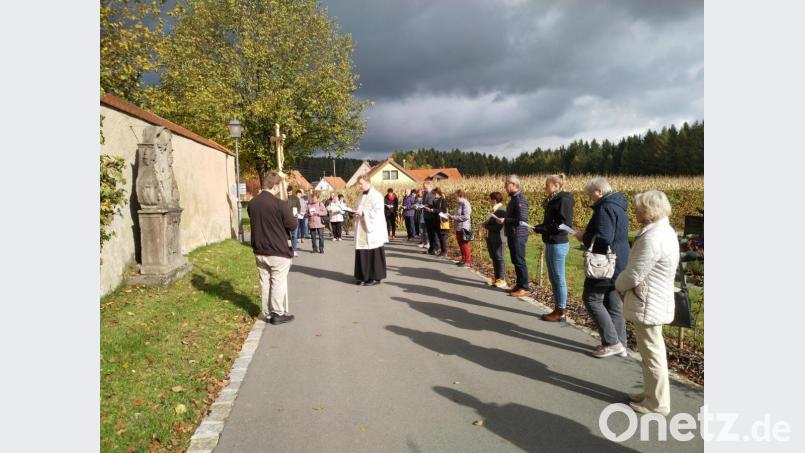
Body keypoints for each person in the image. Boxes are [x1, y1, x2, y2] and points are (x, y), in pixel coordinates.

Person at [615, 190, 679, 416]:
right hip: (652, 299)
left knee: (652, 354)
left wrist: (618, 286)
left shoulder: (653, 237)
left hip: (648, 301)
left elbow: (634, 274)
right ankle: (650, 394)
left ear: (650, 211)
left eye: (639, 208)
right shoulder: (664, 231)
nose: (635, 212)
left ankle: (657, 404)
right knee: (650, 352)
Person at [574, 176, 631, 358]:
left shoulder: (605, 208)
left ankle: (612, 342)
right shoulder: (618, 205)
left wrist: (583, 236)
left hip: (605, 262)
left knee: (592, 298)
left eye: (591, 194)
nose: (590, 198)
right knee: (613, 301)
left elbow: (604, 237)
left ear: (599, 191)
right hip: (620, 258)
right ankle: (620, 342)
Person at [247, 172, 298, 325]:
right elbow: (292, 225)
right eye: (279, 186)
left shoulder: (252, 203)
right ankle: (277, 312)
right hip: (277, 249)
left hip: (260, 249)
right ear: (275, 186)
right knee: (277, 281)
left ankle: (266, 312)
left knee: (265, 281)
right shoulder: (279, 204)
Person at [533, 174, 575, 322]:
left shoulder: (564, 199)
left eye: (547, 184)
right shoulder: (554, 199)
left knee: (558, 277)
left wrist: (543, 229)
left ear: (556, 185)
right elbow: (551, 221)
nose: (545, 187)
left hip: (558, 242)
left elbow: (563, 225)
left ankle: (561, 310)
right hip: (550, 241)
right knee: (553, 277)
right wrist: (539, 227)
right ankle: (557, 307)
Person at [353, 175, 388, 286]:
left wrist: (363, 213)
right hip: (361, 228)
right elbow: (358, 208)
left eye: (361, 183)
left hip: (373, 230)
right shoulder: (360, 196)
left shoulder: (376, 195)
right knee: (362, 251)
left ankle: (375, 277)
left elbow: (377, 213)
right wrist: (354, 212)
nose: (359, 186)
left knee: (373, 253)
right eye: (358, 183)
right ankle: (363, 276)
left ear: (368, 182)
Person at [501, 175, 530, 297]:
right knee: (515, 260)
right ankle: (519, 284)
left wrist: (505, 220)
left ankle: (524, 287)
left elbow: (521, 219)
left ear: (513, 185)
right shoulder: (514, 198)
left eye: (506, 184)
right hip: (513, 234)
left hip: (518, 234)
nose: (505, 186)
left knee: (519, 260)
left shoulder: (519, 199)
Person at [483, 191, 507, 288]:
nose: (489, 201)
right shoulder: (494, 210)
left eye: (490, 199)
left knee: (499, 258)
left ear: (494, 200)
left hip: (499, 238)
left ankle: (502, 279)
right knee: (495, 258)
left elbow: (498, 227)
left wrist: (486, 225)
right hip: (492, 237)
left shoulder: (501, 210)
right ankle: (497, 279)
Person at [451, 189, 472, 267]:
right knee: (460, 244)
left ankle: (467, 261)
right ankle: (463, 259)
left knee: (464, 244)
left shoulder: (466, 203)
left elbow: (466, 216)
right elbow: (457, 214)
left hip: (464, 227)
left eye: (456, 196)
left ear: (460, 196)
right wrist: (450, 215)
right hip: (458, 226)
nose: (455, 198)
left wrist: (454, 217)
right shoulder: (460, 204)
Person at [425, 187, 448, 256]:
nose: (433, 195)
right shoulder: (436, 200)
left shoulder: (443, 200)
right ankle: (436, 249)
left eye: (434, 194)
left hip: (441, 220)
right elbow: (435, 208)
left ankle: (444, 251)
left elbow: (443, 210)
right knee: (436, 235)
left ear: (437, 193)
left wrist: (433, 210)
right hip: (435, 220)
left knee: (441, 236)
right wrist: (429, 208)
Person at [420, 178, 435, 248]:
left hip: (430, 213)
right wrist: (421, 205)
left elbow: (430, 203)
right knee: (423, 229)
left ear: (429, 185)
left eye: (425, 187)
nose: (424, 188)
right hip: (424, 212)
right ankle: (425, 242)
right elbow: (423, 202)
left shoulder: (432, 193)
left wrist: (423, 205)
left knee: (429, 230)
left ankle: (429, 243)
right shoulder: (425, 193)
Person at [286, 187, 301, 257]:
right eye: (287, 193)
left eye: (289, 192)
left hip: (294, 219)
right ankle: (286, 250)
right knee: (285, 235)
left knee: (294, 236)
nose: (288, 194)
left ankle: (294, 250)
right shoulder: (284, 198)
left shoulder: (296, 199)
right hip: (285, 219)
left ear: (292, 191)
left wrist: (297, 212)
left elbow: (299, 208)